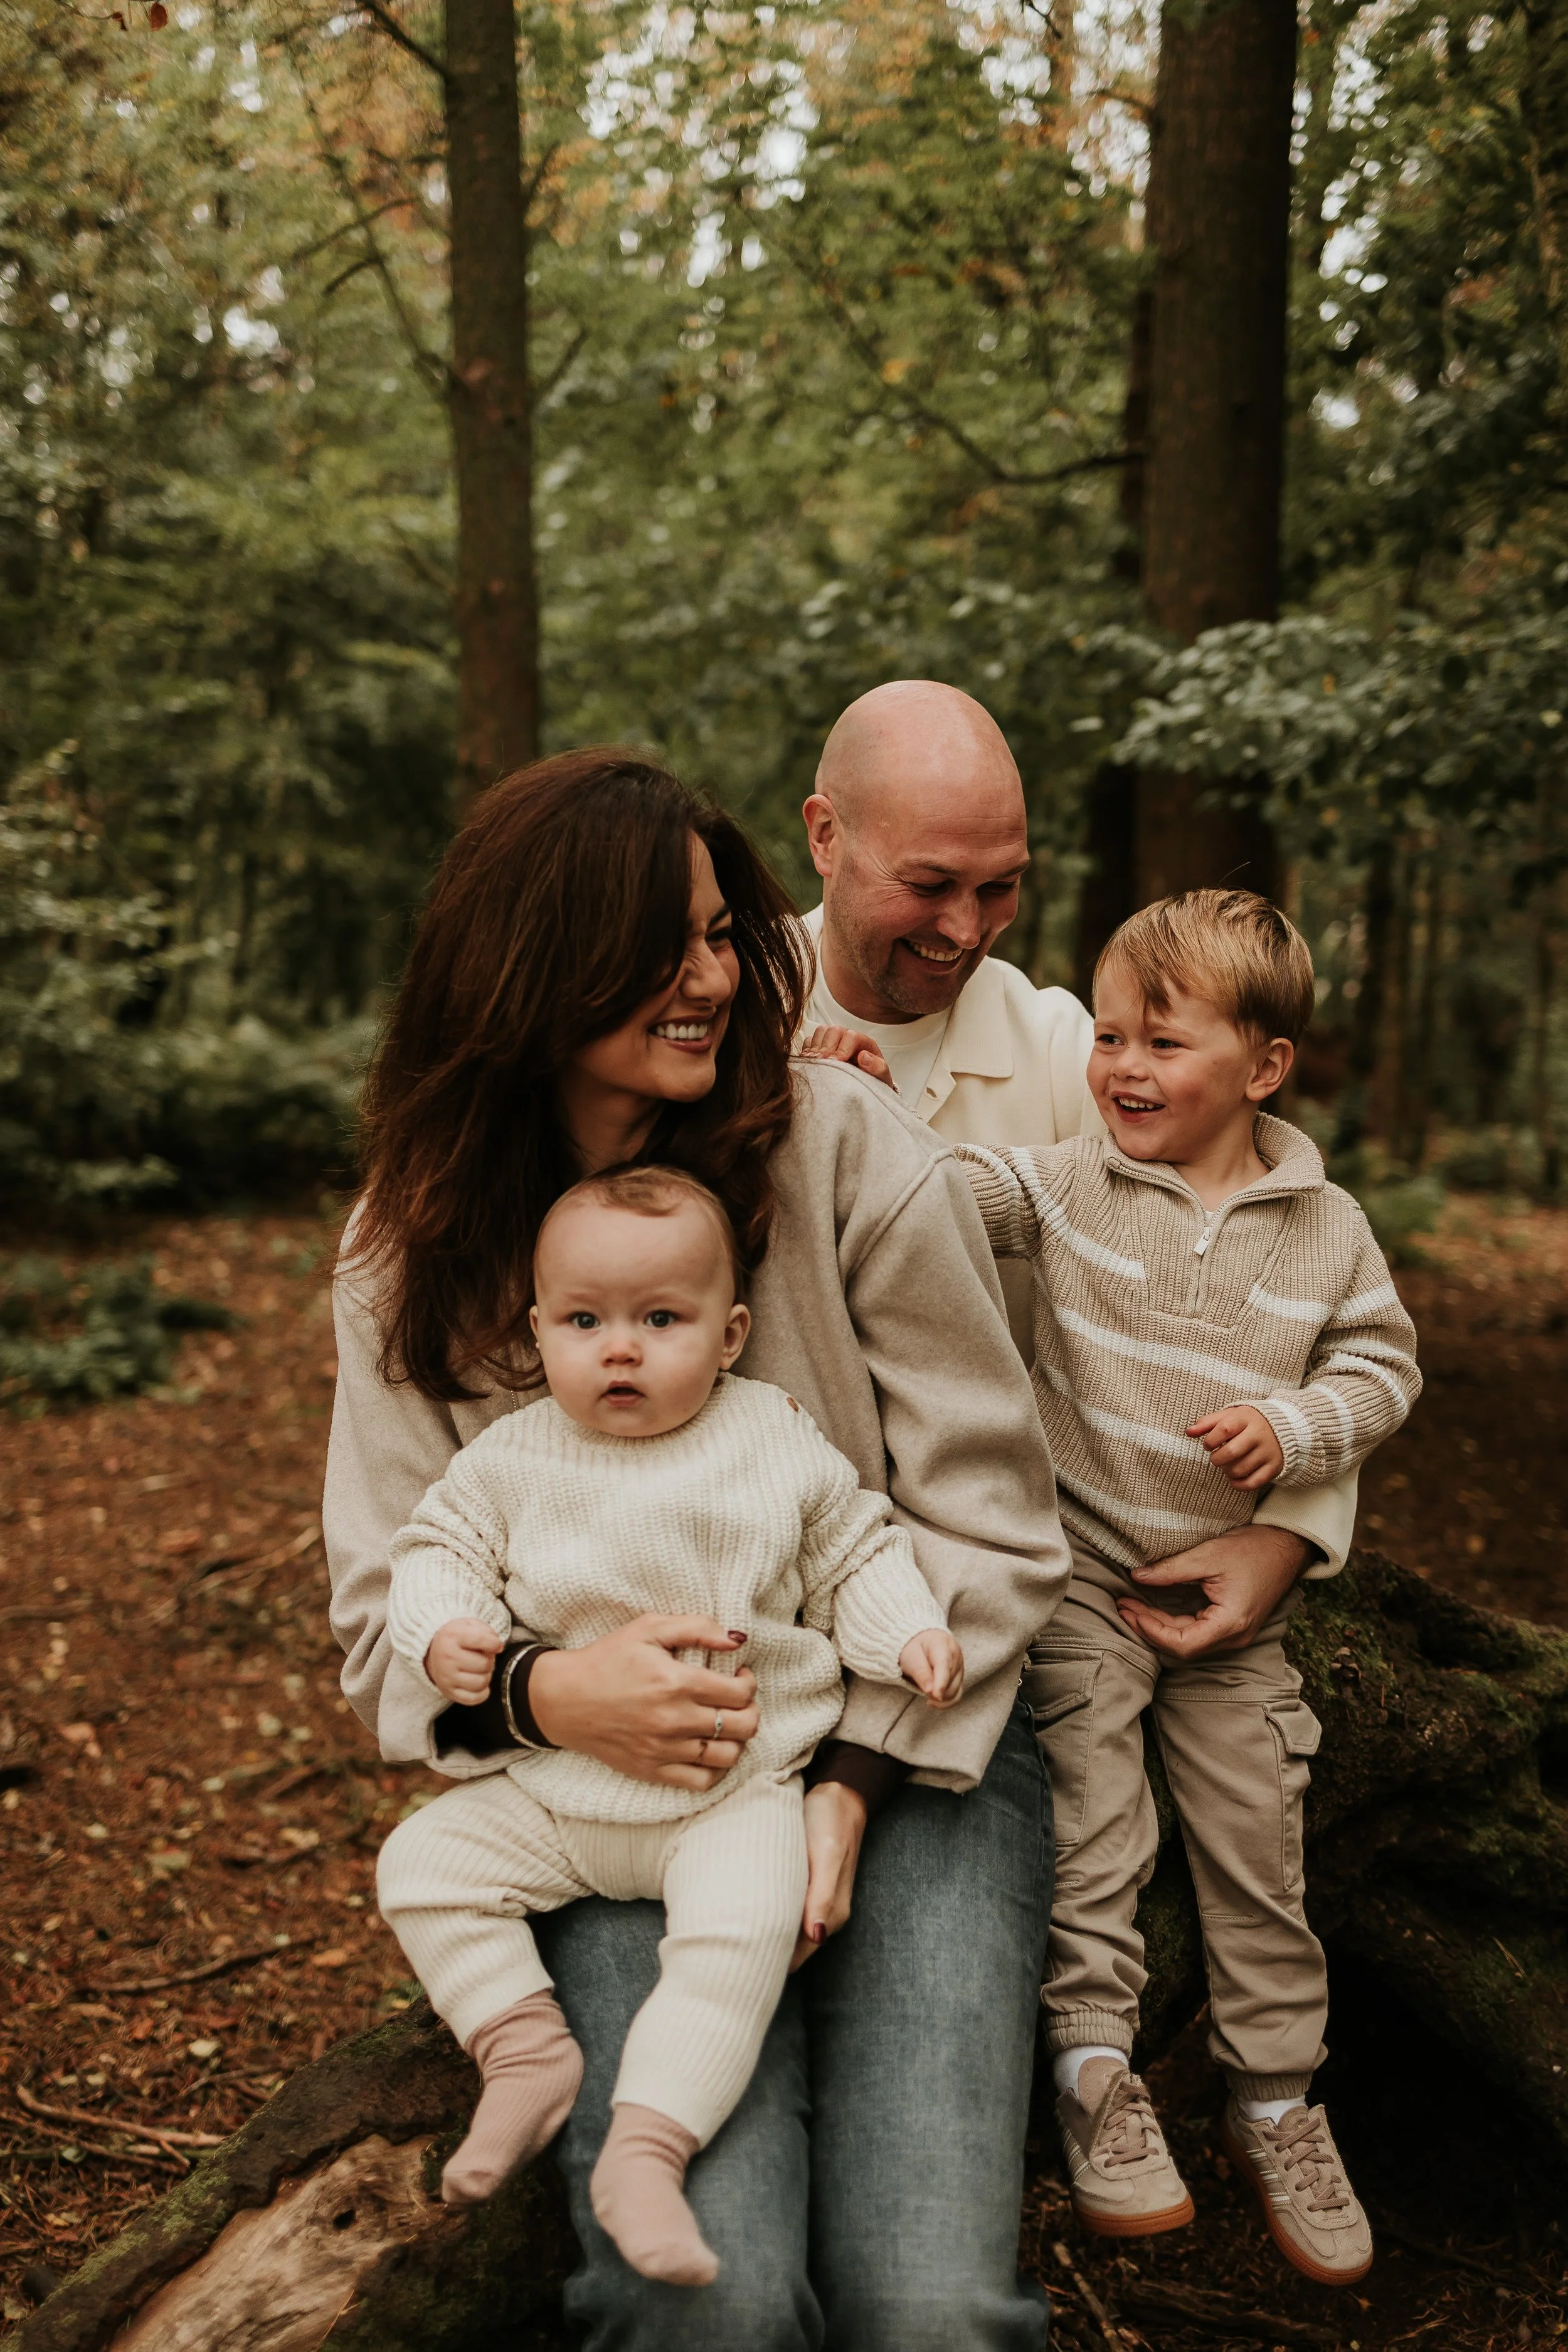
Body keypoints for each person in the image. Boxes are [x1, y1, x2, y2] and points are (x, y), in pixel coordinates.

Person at [324, 748, 1071, 2351]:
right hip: (620, 1786)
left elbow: (990, 1518)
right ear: (529, 960)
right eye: (661, 941)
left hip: (914, 1742)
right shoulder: (410, 1246)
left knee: (928, 2307)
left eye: (720, 931)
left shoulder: (842, 1145)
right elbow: (389, 1610)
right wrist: (547, 1695)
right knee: (708, 2304)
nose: (709, 973)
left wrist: (852, 1790)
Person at [376, 1165, 960, 2286]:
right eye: (585, 1321)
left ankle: (647, 2145)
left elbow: (853, 1549)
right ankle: (525, 2050)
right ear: (538, 1329)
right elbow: (434, 1548)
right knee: (422, 1863)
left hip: (732, 1794)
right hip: (562, 1790)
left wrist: (910, 1636)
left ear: (732, 1332)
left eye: (660, 1320)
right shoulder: (510, 1457)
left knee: (740, 1939)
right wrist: (445, 1627)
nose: (621, 1349)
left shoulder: (772, 1436)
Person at [958, 891, 1419, 2284]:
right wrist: (843, 1105)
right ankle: (1096, 2073)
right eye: (1105, 1035)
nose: (1120, 1068)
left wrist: (1296, 1433)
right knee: (1094, 1821)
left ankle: (1275, 2099)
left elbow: (1381, 1366)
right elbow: (935, 1194)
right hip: (1086, 1578)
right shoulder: (1061, 1181)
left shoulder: (1325, 1227)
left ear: (1262, 1067)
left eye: (1161, 1041)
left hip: (1229, 1615)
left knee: (1251, 1839)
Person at [798, 678, 1359, 1678]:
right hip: (770, 1580)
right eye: (930, 884)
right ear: (826, 835)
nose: (968, 929)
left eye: (1001, 885)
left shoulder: (1083, 1058)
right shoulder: (718, 1015)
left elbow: (1289, 1268)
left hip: (1007, 1599)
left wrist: (1290, 1533)